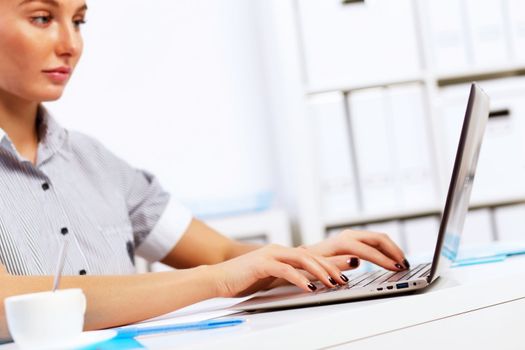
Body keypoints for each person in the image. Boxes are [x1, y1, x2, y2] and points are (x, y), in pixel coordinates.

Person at [0, 0, 410, 341]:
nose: (70, 44)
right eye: (41, 18)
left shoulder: (96, 163)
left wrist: (305, 258)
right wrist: (217, 280)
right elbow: (4, 303)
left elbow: (222, 253)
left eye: (79, 21)